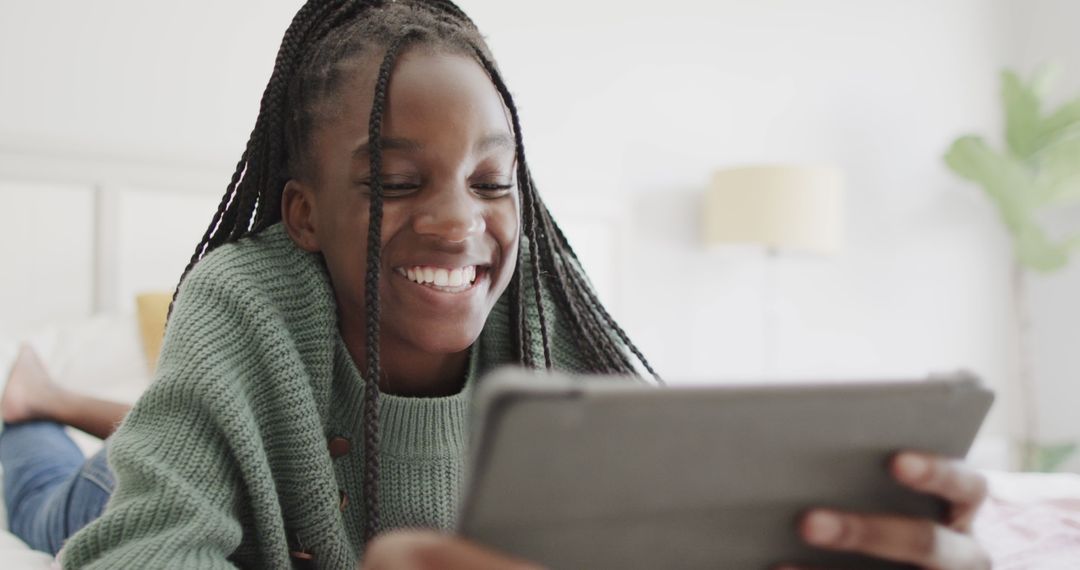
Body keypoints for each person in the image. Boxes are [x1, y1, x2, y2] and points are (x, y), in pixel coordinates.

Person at [0, 1, 991, 568]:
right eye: (395, 182)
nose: (458, 222)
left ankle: (54, 394)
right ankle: (33, 408)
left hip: (205, 432)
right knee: (51, 492)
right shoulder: (243, 301)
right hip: (126, 493)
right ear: (303, 213)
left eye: (491, 181)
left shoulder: (548, 319)